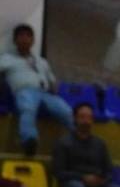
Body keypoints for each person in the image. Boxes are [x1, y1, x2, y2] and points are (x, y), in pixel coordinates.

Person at [0, 25, 73, 156]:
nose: (25, 39)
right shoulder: (6, 59)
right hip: (24, 91)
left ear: (33, 40)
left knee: (66, 110)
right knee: (28, 107)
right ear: (15, 40)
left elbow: (52, 80)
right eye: (21, 36)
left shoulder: (41, 61)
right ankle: (29, 141)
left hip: (45, 93)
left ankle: (81, 139)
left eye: (28, 36)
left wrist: (53, 86)